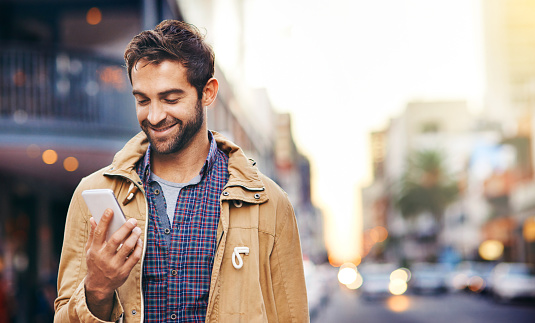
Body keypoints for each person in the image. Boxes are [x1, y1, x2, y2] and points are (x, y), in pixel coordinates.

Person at [54, 20, 309, 323]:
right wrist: (96, 289)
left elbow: (291, 316)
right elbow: (63, 315)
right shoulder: (91, 194)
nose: (155, 115)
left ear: (208, 93)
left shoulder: (269, 203)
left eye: (171, 99)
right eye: (142, 100)